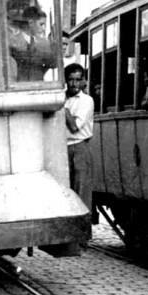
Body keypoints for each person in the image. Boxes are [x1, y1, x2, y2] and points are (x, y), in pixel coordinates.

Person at [64, 63, 94, 212]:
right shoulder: (62, 98)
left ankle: (82, 232)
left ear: (83, 81)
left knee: (81, 192)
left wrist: (64, 110)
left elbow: (75, 127)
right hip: (63, 148)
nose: (74, 84)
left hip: (80, 147)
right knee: (65, 192)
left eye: (77, 80)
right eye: (71, 80)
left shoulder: (86, 100)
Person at [11, 5, 57, 81]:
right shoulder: (13, 41)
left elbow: (54, 64)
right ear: (31, 23)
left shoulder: (43, 43)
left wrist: (54, 44)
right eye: (41, 24)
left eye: (44, 25)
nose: (44, 28)